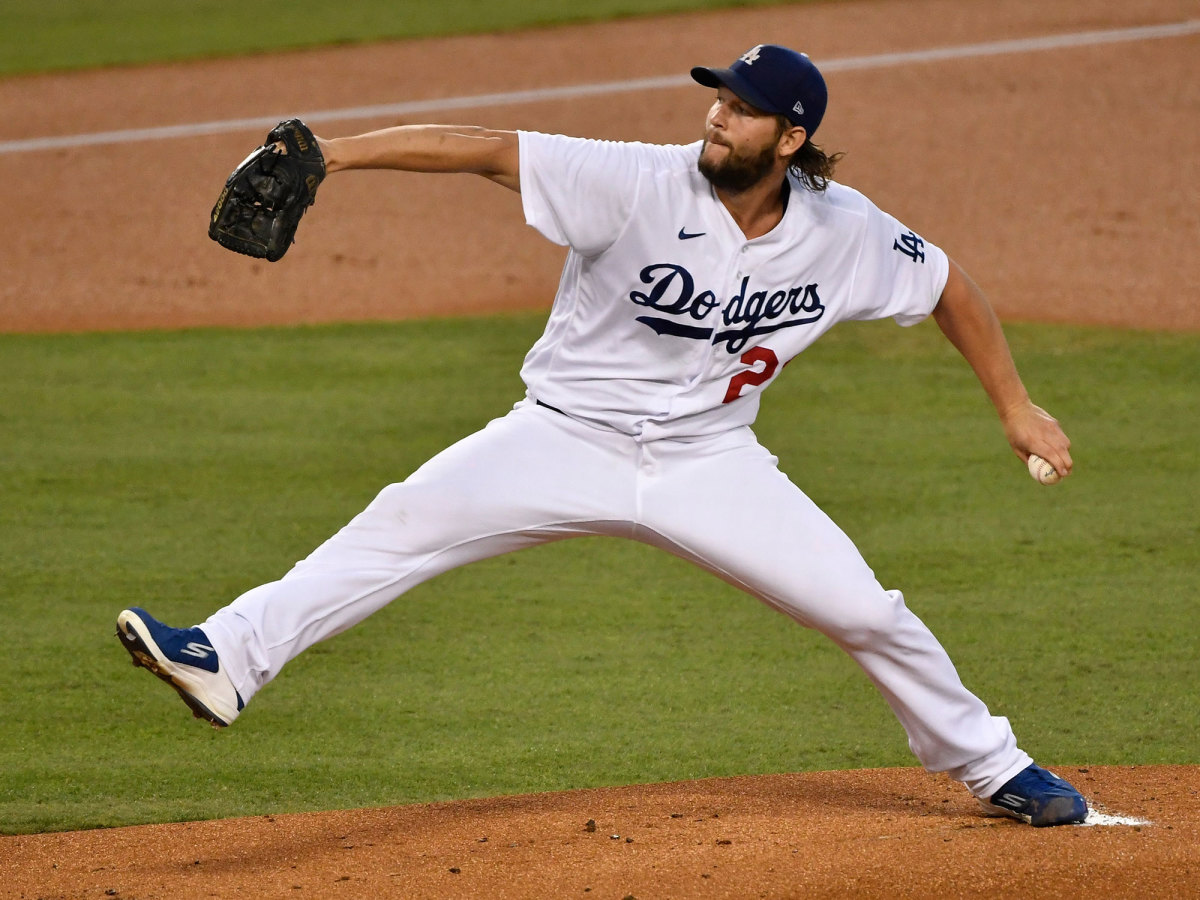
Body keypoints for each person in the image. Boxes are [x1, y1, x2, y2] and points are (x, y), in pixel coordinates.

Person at [117, 44, 1087, 826]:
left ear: (791, 137)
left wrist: (1014, 403)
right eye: (715, 99)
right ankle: (225, 657)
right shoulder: (634, 181)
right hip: (560, 440)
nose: (716, 115)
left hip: (710, 464)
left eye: (742, 108)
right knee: (398, 525)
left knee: (868, 614)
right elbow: (485, 147)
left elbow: (950, 286)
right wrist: (333, 152)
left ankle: (994, 767)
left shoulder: (847, 229)